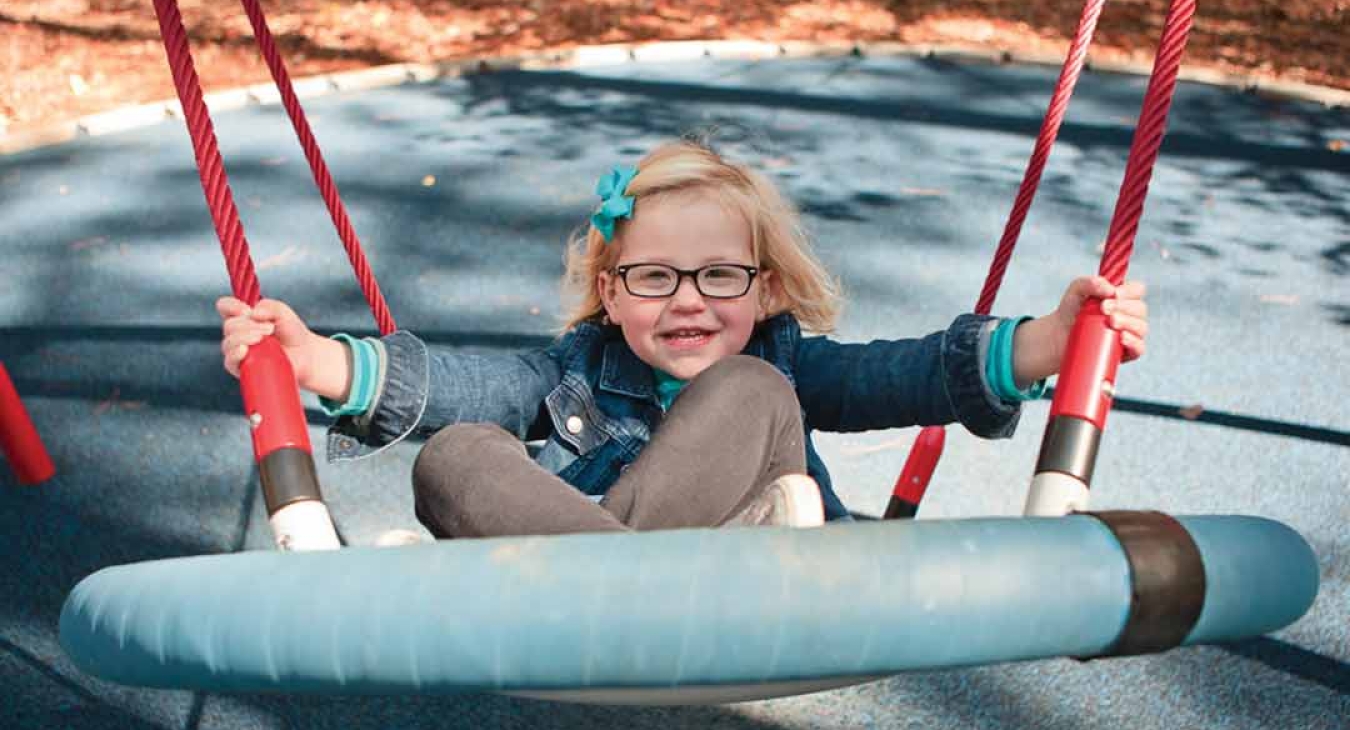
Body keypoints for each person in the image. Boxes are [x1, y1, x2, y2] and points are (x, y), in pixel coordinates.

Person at [217, 139, 1148, 538]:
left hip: (765, 575)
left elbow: (902, 376)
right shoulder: (570, 371)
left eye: (720, 276)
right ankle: (604, 567)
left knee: (748, 392)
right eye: (654, 278)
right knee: (455, 454)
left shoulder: (780, 362)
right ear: (610, 296)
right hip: (600, 573)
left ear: (767, 287)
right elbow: (461, 386)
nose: (689, 301)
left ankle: (590, 571)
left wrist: (1046, 344)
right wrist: (317, 363)